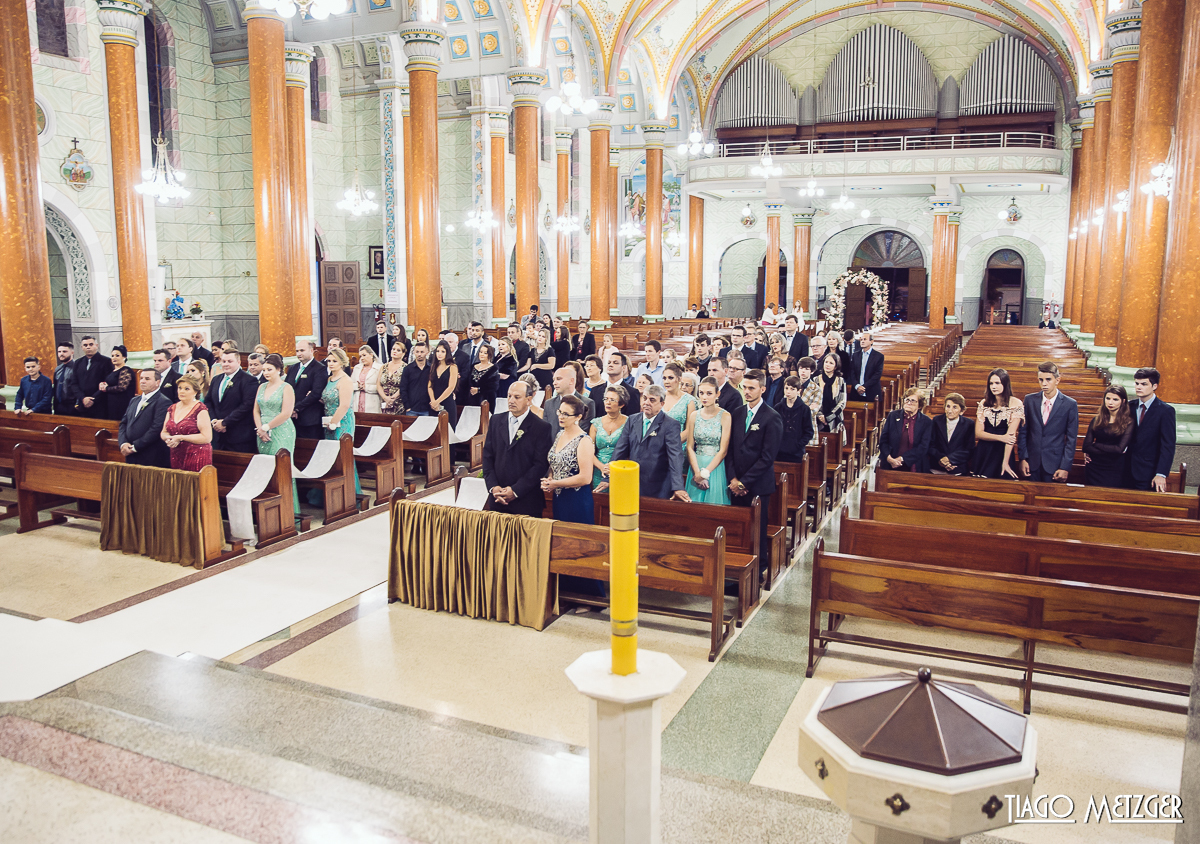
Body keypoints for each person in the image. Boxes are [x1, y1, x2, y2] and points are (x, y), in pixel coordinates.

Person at [726, 369, 783, 576]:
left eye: (752, 388)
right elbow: (731, 449)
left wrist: (744, 482)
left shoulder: (772, 417)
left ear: (763, 389)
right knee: (738, 528)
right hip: (735, 483)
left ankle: (758, 570)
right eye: (745, 387)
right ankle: (737, 569)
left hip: (757, 484)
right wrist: (732, 479)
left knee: (756, 529)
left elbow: (767, 458)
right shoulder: (738, 413)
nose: (747, 392)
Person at [483, 380, 553, 517]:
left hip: (526, 501)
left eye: (517, 397)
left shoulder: (542, 427)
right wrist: (494, 487)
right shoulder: (496, 421)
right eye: (509, 396)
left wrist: (515, 491)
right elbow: (487, 456)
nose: (511, 400)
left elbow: (540, 465)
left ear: (529, 400)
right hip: (498, 498)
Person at [612, 385, 689, 501]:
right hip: (632, 482)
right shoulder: (632, 420)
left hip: (659, 485)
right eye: (645, 398)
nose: (647, 402)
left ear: (662, 404)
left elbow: (675, 456)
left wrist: (678, 486)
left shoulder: (670, 425)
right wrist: (608, 477)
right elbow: (620, 450)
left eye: (652, 400)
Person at [1017, 361, 1079, 483]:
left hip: (1055, 464)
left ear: (1057, 380)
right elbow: (1023, 432)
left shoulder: (1070, 404)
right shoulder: (1029, 400)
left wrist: (1064, 467)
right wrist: (1023, 458)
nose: (1044, 383)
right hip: (1032, 462)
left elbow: (1071, 439)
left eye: (1048, 379)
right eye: (1041, 380)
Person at [253, 354, 299, 515]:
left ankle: (287, 511)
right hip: (262, 432)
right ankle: (271, 511)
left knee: (281, 468)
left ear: (279, 370)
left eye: (269, 369)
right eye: (264, 369)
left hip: (281, 430)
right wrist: (260, 428)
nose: (266, 372)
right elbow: (256, 410)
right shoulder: (261, 387)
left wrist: (267, 426)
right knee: (267, 468)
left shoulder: (286, 388)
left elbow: (286, 413)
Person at [542, 394, 596, 524]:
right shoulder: (560, 434)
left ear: (578, 417)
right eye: (560, 411)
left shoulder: (584, 440)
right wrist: (550, 477)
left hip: (577, 500)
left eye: (566, 414)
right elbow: (554, 462)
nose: (560, 416)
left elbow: (586, 478)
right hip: (559, 497)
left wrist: (556, 483)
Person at [1125, 367, 1177, 492]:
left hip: (1148, 472)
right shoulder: (1129, 406)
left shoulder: (1165, 411)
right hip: (1125, 470)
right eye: (1137, 383)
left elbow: (1168, 445)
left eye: (1143, 384)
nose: (1138, 387)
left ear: (1154, 386)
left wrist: (1161, 473)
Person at [684, 376, 732, 505]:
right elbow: (689, 447)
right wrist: (697, 473)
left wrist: (705, 473)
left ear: (718, 394)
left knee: (714, 505)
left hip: (714, 466)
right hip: (696, 465)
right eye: (701, 393)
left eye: (709, 393)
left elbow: (723, 450)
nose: (704, 397)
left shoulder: (725, 416)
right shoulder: (694, 415)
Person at [322, 347, 361, 495]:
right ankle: (334, 493)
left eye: (334, 361)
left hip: (342, 422)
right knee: (330, 456)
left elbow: (344, 404)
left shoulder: (345, 380)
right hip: (329, 421)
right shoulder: (329, 379)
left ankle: (349, 493)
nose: (331, 364)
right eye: (329, 361)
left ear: (342, 362)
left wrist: (333, 422)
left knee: (342, 456)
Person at [972, 368, 1024, 479]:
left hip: (1003, 452)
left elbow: (1010, 437)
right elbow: (979, 433)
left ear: (1005, 383)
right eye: (991, 383)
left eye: (997, 383)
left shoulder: (1015, 403)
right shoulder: (984, 403)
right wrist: (1001, 437)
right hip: (984, 451)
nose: (993, 386)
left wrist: (1005, 462)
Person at [1082, 385, 1135, 488]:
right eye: (1108, 398)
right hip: (1094, 466)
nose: (1110, 403)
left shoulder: (1128, 422)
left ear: (1123, 401)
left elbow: (1119, 449)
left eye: (1115, 399)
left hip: (1114, 468)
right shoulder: (1097, 419)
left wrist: (1096, 445)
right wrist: (1108, 450)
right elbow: (1086, 447)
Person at [118, 368, 171, 467]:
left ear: (157, 382)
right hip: (130, 453)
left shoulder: (163, 402)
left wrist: (135, 447)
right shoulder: (134, 400)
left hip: (150, 455)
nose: (142, 381)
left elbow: (156, 428)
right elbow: (124, 423)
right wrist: (123, 443)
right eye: (141, 378)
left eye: (147, 379)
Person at [207, 350, 258, 452]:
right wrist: (214, 421)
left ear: (238, 362)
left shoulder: (249, 380)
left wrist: (225, 422)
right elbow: (208, 402)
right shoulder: (216, 379)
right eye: (224, 361)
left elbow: (247, 405)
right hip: (218, 435)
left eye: (230, 361)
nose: (225, 364)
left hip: (239, 436)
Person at [161, 374, 213, 471]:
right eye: (180, 388)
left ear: (195, 391)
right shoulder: (172, 408)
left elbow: (207, 437)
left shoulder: (200, 409)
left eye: (186, 389)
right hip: (176, 454)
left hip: (197, 455)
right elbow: (164, 432)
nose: (182, 391)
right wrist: (169, 438)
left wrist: (180, 437)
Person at [879, 387, 933, 473]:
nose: (909, 403)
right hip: (890, 463)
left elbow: (923, 447)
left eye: (913, 401)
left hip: (914, 466)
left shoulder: (926, 421)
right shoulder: (893, 416)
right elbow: (883, 441)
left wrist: (902, 459)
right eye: (907, 400)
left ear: (920, 405)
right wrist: (889, 458)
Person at [286, 340, 330, 441]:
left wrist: (296, 408)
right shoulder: (293, 368)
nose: (299, 353)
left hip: (310, 418)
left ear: (311, 351)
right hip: (292, 417)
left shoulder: (319, 368)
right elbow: (287, 389)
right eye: (297, 351)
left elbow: (316, 393)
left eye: (302, 350)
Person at [590, 385, 629, 490]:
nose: (608, 402)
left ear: (621, 404)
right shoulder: (596, 423)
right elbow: (589, 452)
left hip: (620, 469)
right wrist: (602, 467)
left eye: (612, 400)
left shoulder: (629, 423)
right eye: (606, 399)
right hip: (599, 470)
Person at [662, 362, 696, 478]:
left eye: (670, 378)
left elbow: (690, 429)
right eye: (664, 378)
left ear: (679, 379)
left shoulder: (689, 400)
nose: (667, 381)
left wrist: (671, 443)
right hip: (657, 448)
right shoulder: (659, 396)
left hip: (679, 449)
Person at [545, 365, 596, 440]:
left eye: (559, 379)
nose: (554, 383)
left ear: (571, 381)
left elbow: (583, 432)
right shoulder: (549, 404)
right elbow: (546, 432)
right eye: (554, 380)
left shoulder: (587, 403)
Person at [930, 393, 973, 475]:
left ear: (962, 410)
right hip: (937, 467)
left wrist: (950, 459)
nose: (950, 411)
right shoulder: (936, 421)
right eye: (948, 406)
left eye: (955, 407)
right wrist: (941, 460)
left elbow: (969, 449)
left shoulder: (969, 424)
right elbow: (931, 445)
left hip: (958, 467)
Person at [776, 375, 817, 460]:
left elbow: (809, 432)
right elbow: (773, 429)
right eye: (786, 388)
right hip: (778, 452)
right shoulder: (778, 408)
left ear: (799, 391)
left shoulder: (804, 409)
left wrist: (798, 445)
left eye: (792, 389)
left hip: (796, 453)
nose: (788, 392)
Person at [73, 335, 112, 417]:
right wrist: (83, 398)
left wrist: (92, 399)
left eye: (91, 344)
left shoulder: (106, 361)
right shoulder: (78, 362)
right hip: (82, 404)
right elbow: (74, 383)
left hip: (99, 404)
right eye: (85, 345)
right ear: (82, 347)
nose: (88, 347)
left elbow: (107, 382)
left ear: (96, 346)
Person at [96, 345, 136, 421]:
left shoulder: (126, 370)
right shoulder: (112, 371)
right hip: (111, 403)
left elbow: (122, 387)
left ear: (124, 357)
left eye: (117, 355)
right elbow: (110, 382)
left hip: (122, 403)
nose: (114, 358)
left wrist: (106, 389)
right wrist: (103, 384)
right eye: (112, 356)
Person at [428, 340, 460, 428]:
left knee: (448, 432)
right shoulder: (433, 366)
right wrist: (433, 401)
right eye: (438, 351)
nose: (439, 354)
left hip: (447, 402)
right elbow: (430, 386)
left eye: (443, 351)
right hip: (433, 404)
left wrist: (438, 401)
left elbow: (451, 387)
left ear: (447, 353)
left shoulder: (453, 367)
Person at [815, 353, 846, 434]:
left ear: (836, 366)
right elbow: (814, 400)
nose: (827, 365)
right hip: (818, 419)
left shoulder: (840, 381)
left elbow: (842, 402)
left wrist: (828, 417)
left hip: (835, 418)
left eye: (831, 363)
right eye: (826, 362)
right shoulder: (816, 380)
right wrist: (820, 416)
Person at [465, 342, 500, 410]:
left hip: (486, 399)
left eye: (485, 353)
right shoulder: (473, 366)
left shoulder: (493, 368)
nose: (482, 354)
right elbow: (468, 381)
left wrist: (478, 390)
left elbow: (494, 386)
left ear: (490, 355)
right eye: (481, 352)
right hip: (471, 398)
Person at [848, 333, 883, 401]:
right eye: (861, 340)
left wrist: (864, 387)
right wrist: (857, 386)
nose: (862, 341)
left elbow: (877, 374)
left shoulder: (878, 356)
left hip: (871, 391)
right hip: (856, 391)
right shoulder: (855, 355)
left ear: (871, 341)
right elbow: (852, 372)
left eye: (865, 339)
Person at [400, 341, 432, 415]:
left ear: (427, 352)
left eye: (422, 352)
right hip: (412, 409)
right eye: (417, 352)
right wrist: (407, 406)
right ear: (414, 352)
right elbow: (403, 388)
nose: (419, 354)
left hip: (427, 408)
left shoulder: (431, 368)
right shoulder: (408, 369)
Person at [351, 346, 382, 414]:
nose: (362, 358)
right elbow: (351, 384)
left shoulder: (379, 368)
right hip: (357, 401)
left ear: (371, 355)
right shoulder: (357, 368)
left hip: (372, 401)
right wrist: (358, 386)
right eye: (360, 356)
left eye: (364, 355)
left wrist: (366, 387)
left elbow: (381, 387)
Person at [378, 342, 407, 415]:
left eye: (398, 350)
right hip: (384, 401)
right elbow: (378, 384)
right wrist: (385, 398)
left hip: (398, 403)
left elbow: (405, 386)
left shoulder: (406, 368)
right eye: (393, 349)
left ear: (403, 354)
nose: (395, 351)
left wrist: (392, 398)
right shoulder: (383, 367)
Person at [53, 343, 78, 415]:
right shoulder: (58, 369)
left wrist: (78, 404)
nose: (61, 354)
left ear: (72, 352)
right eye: (59, 352)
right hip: (59, 406)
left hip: (72, 405)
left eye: (64, 351)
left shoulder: (77, 367)